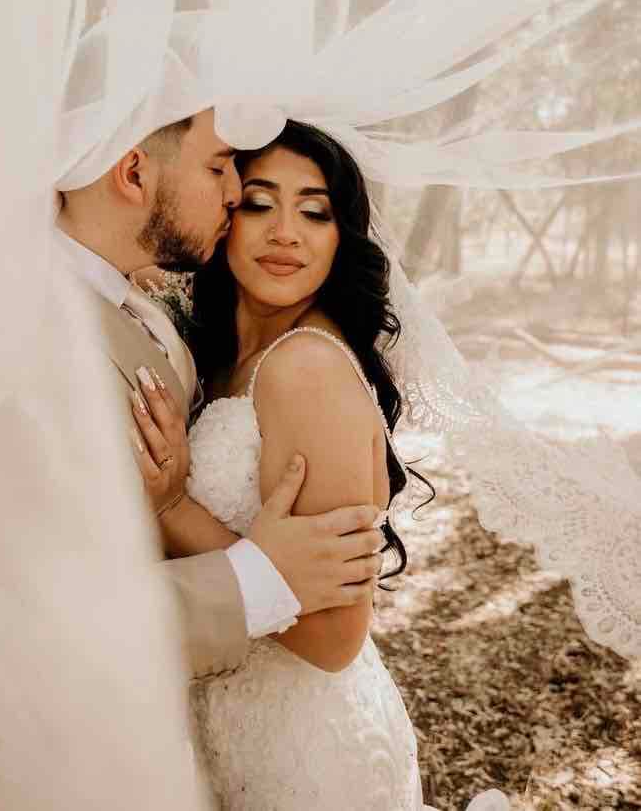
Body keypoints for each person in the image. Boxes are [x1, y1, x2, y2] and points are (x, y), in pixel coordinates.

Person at [0, 108, 389, 811]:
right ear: (132, 171)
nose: (231, 194)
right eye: (223, 172)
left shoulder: (146, 315)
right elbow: (14, 623)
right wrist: (255, 576)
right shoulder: (13, 338)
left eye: (313, 212)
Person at [130, 120, 509, 811]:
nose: (286, 233)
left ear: (343, 239)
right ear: (224, 216)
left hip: (306, 754)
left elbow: (336, 638)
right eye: (259, 203)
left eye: (315, 212)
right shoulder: (219, 358)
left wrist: (173, 511)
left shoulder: (305, 367)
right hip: (225, 734)